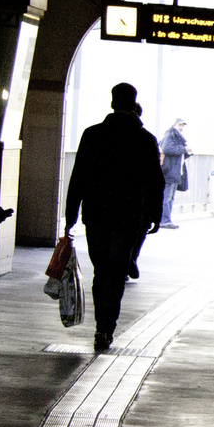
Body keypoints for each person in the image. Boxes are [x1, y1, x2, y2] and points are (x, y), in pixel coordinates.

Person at [63, 83, 163, 351]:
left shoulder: (92, 135)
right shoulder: (145, 139)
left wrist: (70, 213)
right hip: (129, 215)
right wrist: (155, 213)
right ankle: (107, 327)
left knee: (101, 271)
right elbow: (156, 180)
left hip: (96, 214)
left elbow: (79, 176)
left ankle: (100, 325)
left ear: (112, 103)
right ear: (133, 104)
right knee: (117, 272)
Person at [157, 118, 190, 229]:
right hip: (169, 171)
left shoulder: (176, 136)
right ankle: (164, 221)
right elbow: (167, 148)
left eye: (182, 125)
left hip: (174, 171)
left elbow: (177, 152)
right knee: (167, 197)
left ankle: (166, 220)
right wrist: (184, 149)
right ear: (174, 125)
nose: (181, 127)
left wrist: (187, 152)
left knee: (169, 198)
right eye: (179, 125)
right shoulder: (170, 134)